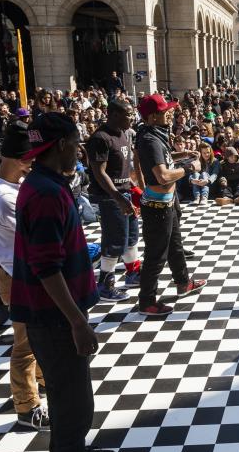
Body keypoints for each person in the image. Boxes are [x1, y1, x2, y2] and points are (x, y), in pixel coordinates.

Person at [11, 113, 115, 452]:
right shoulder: (44, 194)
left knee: (66, 394)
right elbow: (46, 266)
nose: (79, 149)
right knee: (73, 399)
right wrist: (77, 322)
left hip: (55, 312)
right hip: (54, 315)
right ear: (60, 146)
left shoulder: (46, 184)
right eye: (75, 143)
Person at [0, 121, 49, 431]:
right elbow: (36, 237)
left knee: (35, 338)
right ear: (18, 159)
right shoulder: (4, 197)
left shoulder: (6, 188)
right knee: (25, 344)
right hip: (19, 276)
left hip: (17, 272)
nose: (34, 166)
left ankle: (42, 380)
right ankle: (26, 406)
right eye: (31, 160)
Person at [133, 94, 205, 317]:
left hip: (166, 203)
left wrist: (182, 154)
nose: (171, 113)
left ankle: (183, 282)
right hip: (158, 206)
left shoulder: (152, 134)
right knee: (156, 254)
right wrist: (190, 167)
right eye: (166, 111)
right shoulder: (151, 139)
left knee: (175, 245)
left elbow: (156, 159)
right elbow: (163, 175)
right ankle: (146, 301)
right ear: (153, 116)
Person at [85, 100, 141, 301]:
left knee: (131, 237)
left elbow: (125, 169)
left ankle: (133, 273)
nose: (131, 117)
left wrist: (133, 190)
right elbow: (99, 173)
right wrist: (118, 198)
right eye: (128, 114)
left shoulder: (125, 134)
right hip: (109, 197)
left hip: (125, 193)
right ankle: (105, 285)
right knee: (114, 240)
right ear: (114, 115)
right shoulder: (100, 138)